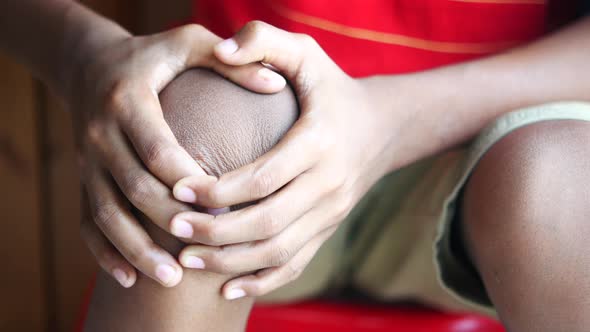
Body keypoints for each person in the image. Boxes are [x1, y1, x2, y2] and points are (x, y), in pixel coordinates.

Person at [2, 1, 590, 331]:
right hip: (255, 159)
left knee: (562, 185)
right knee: (199, 144)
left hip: (485, 140)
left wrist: (394, 119)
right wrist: (81, 54)